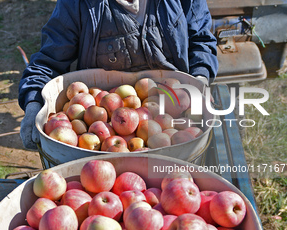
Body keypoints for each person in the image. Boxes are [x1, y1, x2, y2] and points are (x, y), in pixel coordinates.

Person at [18, 0, 219, 150]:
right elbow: (47, 62)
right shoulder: (78, 4)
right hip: (101, 138)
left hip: (175, 122)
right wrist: (34, 104)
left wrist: (200, 79)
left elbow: (201, 41)